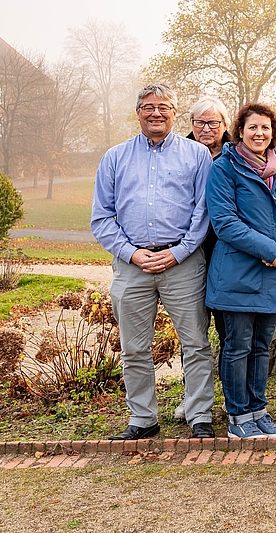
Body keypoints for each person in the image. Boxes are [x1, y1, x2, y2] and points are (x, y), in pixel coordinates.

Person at [91, 84, 215, 440]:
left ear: (175, 113)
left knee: (195, 343)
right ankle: (143, 419)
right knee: (134, 348)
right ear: (138, 112)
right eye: (148, 107)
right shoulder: (115, 157)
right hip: (132, 265)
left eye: (163, 107)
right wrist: (132, 253)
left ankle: (199, 415)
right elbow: (101, 218)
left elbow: (203, 213)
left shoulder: (196, 156)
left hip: (183, 262)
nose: (155, 113)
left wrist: (177, 252)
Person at [206, 101, 276, 439]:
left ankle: (259, 411)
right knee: (237, 346)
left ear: (273, 131)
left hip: (275, 273)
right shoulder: (224, 168)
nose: (259, 133)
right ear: (240, 131)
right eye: (252, 127)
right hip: (237, 274)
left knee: (262, 346)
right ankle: (238, 417)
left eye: (265, 127)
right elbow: (224, 221)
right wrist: (268, 249)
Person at [172, 96, 232, 422]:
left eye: (213, 123)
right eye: (200, 123)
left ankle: (229, 398)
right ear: (191, 125)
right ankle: (192, 399)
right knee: (193, 333)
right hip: (188, 252)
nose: (206, 129)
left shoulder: (238, 154)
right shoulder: (178, 152)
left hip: (226, 254)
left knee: (228, 332)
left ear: (225, 125)